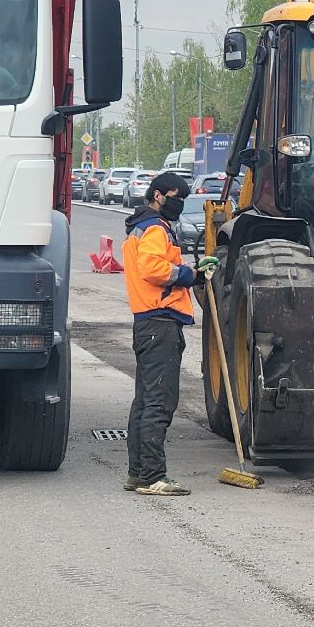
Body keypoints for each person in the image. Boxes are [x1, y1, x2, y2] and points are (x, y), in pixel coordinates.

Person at [122, 171, 217, 495]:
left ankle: (139, 473)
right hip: (159, 322)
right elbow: (153, 269)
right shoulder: (155, 229)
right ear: (159, 195)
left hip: (148, 322)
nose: (179, 203)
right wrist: (191, 274)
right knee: (159, 402)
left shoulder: (141, 226)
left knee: (146, 401)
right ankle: (151, 476)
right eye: (176, 197)